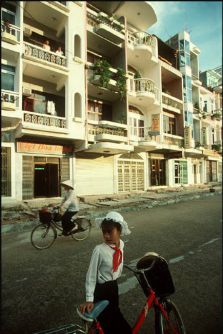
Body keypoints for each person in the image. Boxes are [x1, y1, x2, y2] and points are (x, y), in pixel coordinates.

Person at [79, 211, 132, 334]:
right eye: (104, 232)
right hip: (101, 289)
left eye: (110, 232)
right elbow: (91, 275)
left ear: (119, 231)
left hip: (113, 287)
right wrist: (89, 299)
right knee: (106, 321)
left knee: (114, 315)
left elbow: (118, 261)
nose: (107, 236)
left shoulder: (121, 245)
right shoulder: (99, 250)